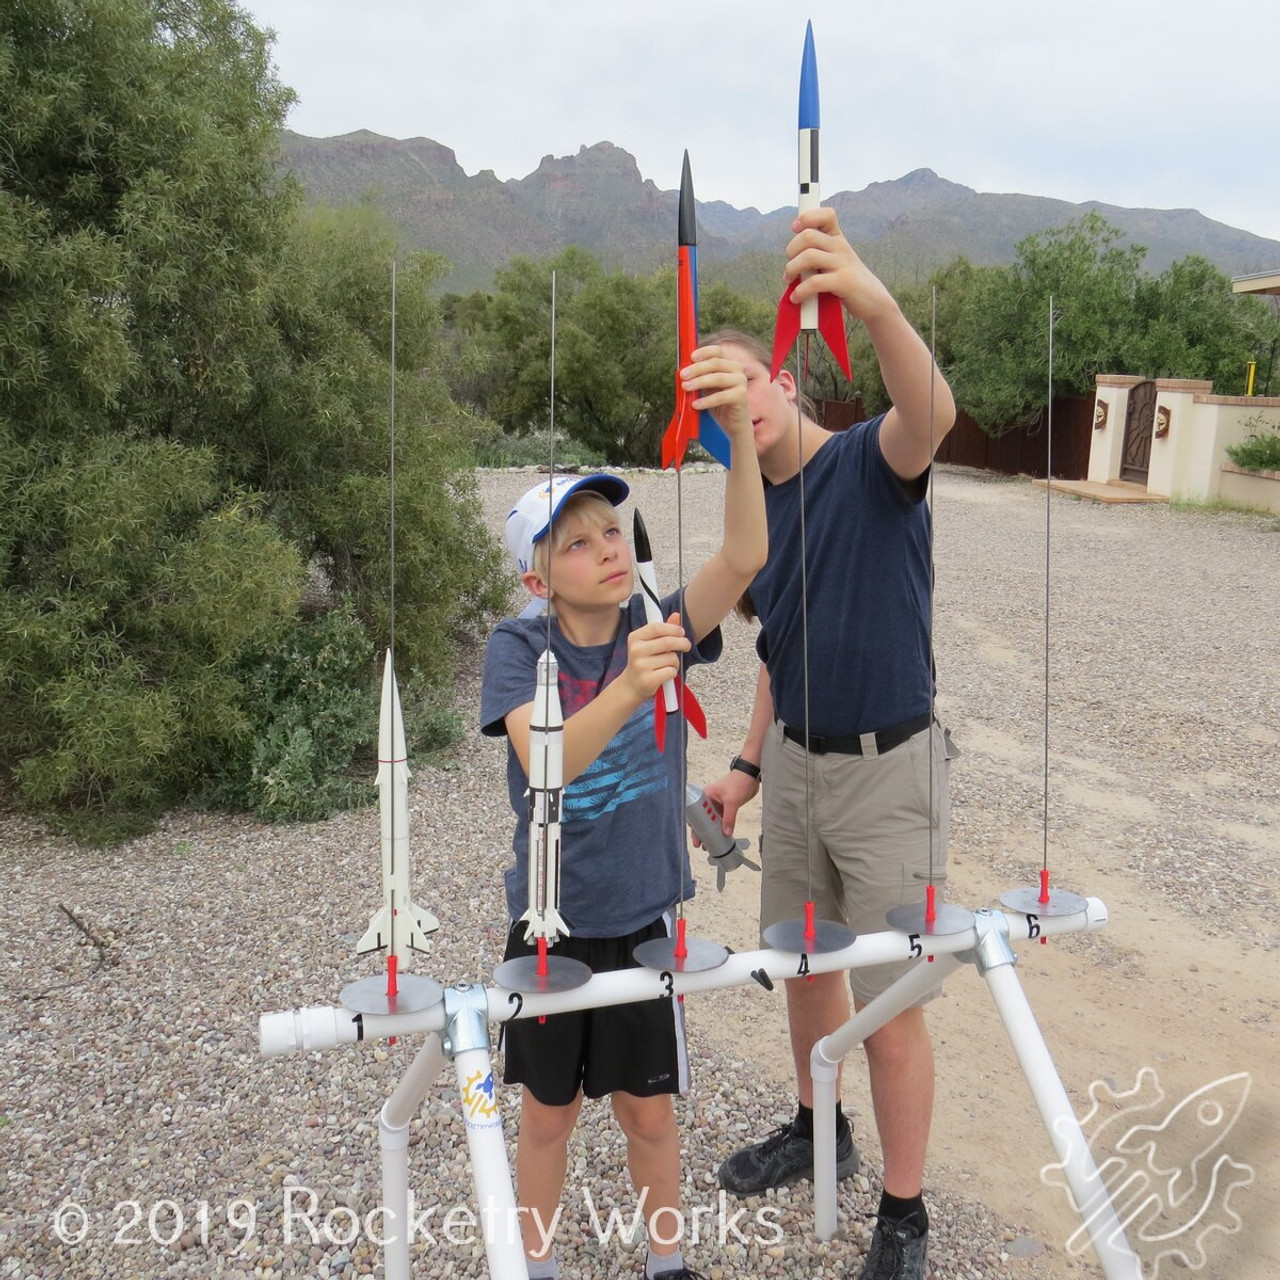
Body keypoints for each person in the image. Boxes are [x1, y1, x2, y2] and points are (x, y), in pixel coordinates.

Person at [701, 206, 958, 1280]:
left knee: (887, 1003)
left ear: (783, 383)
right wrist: (749, 766)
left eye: (738, 385)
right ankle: (817, 1127)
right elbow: (774, 653)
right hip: (799, 767)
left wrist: (872, 299)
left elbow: (929, 411)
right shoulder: (747, 525)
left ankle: (902, 1214)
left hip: (890, 768)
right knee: (805, 967)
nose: (731, 412)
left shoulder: (869, 462)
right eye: (709, 406)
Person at [480, 347, 766, 1280]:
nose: (605, 550)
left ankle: (666, 1263)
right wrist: (636, 679)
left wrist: (737, 441)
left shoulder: (664, 620)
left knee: (649, 1113)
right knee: (548, 1117)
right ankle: (537, 1265)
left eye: (612, 532)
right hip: (553, 927)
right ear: (536, 579)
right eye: (575, 541)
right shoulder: (516, 649)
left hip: (646, 921)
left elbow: (748, 555)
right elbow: (547, 760)